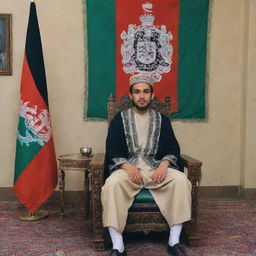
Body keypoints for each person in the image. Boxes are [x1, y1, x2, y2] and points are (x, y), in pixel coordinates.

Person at [101, 73, 191, 256]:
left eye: (145, 92)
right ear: (131, 95)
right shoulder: (119, 119)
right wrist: (127, 166)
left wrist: (165, 165)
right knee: (112, 184)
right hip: (129, 170)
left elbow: (173, 148)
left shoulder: (162, 120)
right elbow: (112, 149)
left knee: (181, 181)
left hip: (157, 169)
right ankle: (118, 245)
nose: (142, 96)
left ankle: (174, 242)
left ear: (151, 94)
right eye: (137, 92)